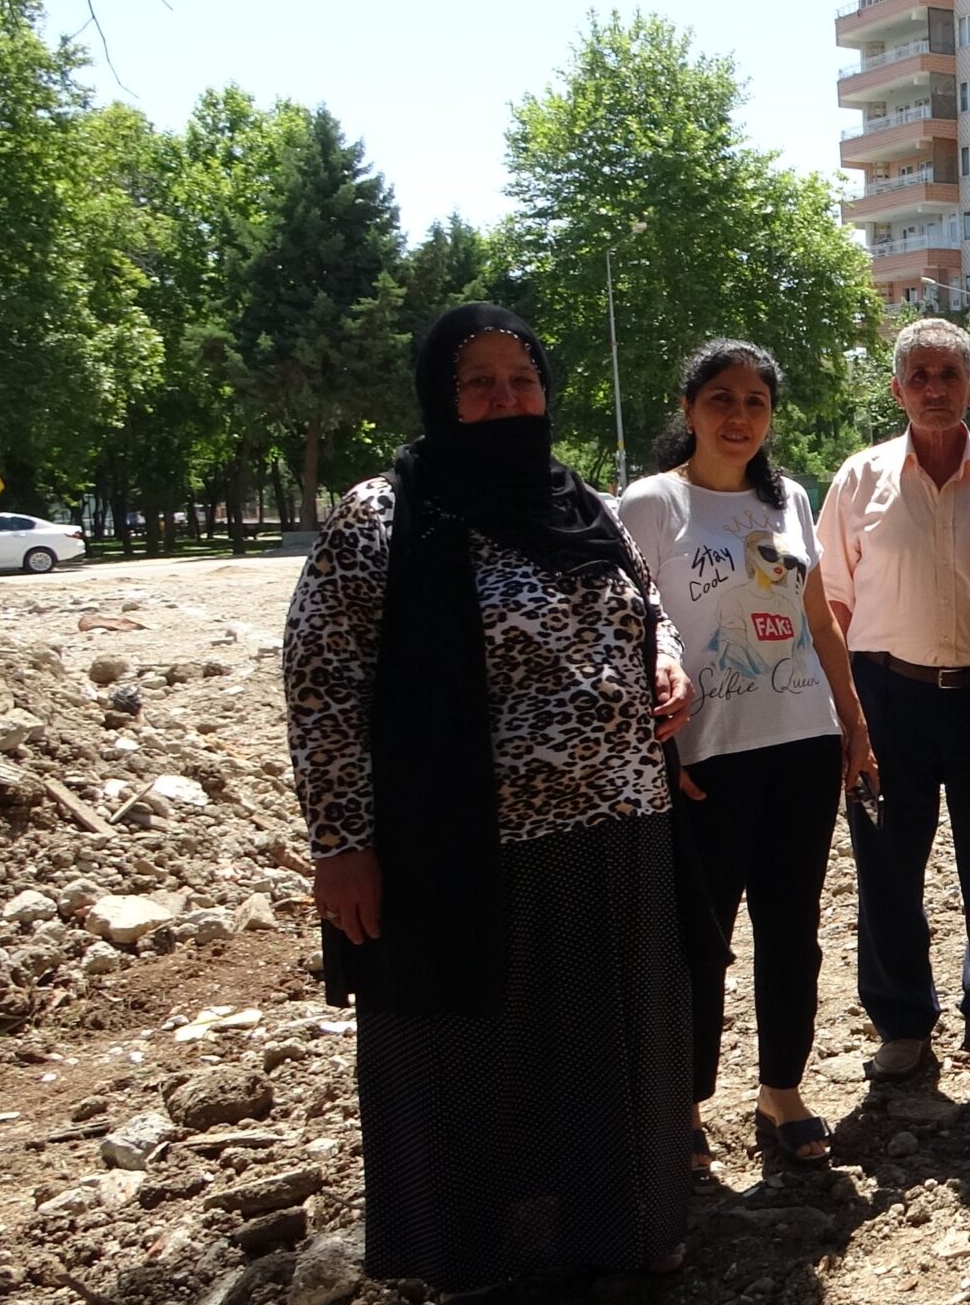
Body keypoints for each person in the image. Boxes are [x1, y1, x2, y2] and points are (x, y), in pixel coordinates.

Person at [286, 304, 695, 1289]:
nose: (507, 398)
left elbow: (644, 607)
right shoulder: (383, 516)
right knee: (473, 1057)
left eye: (523, 379)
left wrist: (668, 663)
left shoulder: (580, 503)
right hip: (463, 850)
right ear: (440, 396)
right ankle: (477, 1258)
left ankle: (615, 1236)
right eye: (480, 382)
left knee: (606, 1053)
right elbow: (322, 680)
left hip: (617, 831)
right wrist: (341, 842)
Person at [618, 339, 873, 1171]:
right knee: (702, 938)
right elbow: (629, 632)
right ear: (689, 408)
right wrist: (657, 752)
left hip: (801, 745)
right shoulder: (651, 506)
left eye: (756, 402)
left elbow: (818, 618)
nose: (739, 417)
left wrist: (853, 721)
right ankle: (685, 1106)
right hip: (705, 755)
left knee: (792, 930)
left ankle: (781, 1091)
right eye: (721, 399)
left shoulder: (788, 498)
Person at [816, 318, 970, 1081]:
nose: (936, 389)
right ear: (897, 391)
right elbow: (833, 604)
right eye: (919, 376)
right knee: (886, 863)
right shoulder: (859, 480)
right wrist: (848, 715)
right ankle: (903, 1019)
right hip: (889, 697)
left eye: (949, 374)